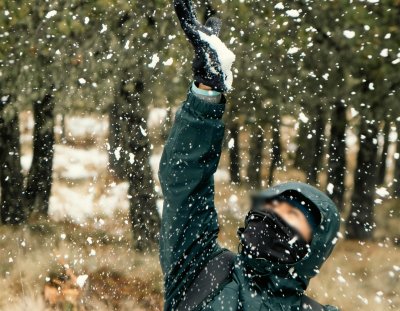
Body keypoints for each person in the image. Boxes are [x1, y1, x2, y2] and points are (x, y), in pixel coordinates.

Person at [158, 0, 341, 310]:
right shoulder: (201, 270)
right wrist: (207, 91)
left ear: (310, 250)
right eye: (268, 210)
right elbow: (184, 183)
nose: (271, 221)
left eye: (291, 218)